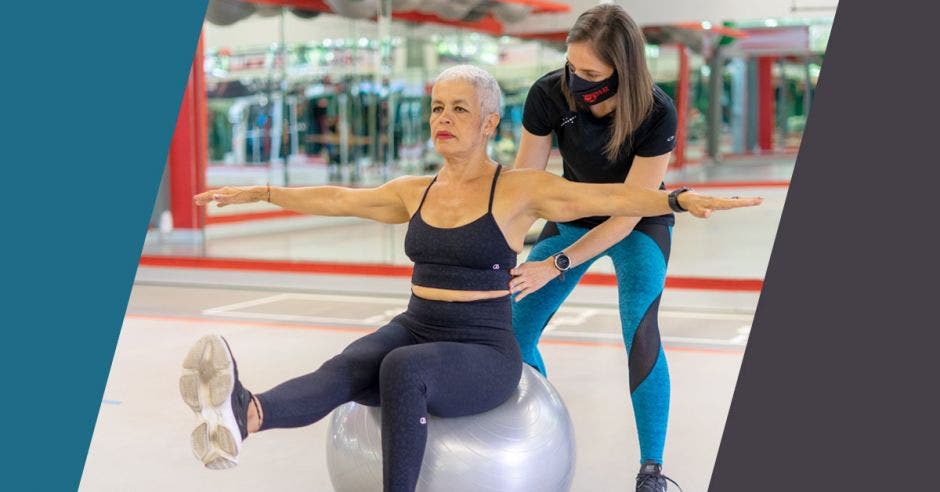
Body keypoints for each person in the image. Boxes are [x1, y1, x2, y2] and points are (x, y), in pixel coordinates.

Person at [181, 64, 759, 492]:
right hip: (417, 323)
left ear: (488, 122)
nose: (443, 119)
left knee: (402, 369)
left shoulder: (517, 190)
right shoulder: (416, 190)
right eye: (436, 107)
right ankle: (247, 411)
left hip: (483, 348)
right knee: (353, 363)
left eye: (458, 109)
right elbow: (339, 198)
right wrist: (260, 191)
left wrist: (677, 200)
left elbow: (601, 194)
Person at [508, 5, 704, 491]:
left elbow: (627, 212)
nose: (577, 80)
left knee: (639, 330)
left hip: (638, 222)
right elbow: (525, 188)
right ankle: (541, 430)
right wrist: (503, 253)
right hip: (573, 213)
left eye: (591, 73)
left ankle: (652, 473)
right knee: (514, 332)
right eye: (572, 67)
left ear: (624, 70)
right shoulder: (548, 94)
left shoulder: (656, 112)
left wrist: (556, 263)